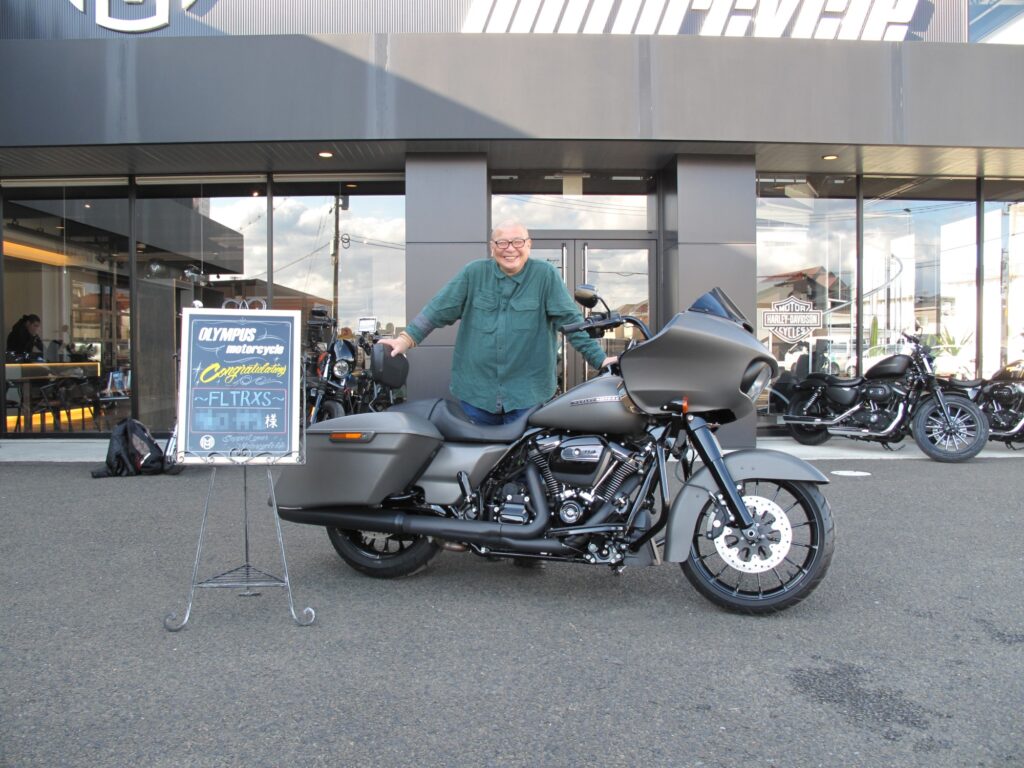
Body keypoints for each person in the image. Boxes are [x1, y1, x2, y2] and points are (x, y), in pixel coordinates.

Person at [378, 220, 616, 425]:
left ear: (529, 245)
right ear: (492, 248)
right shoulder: (473, 273)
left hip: (529, 395)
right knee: (478, 460)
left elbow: (572, 322)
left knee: (527, 460)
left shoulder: (545, 275)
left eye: (517, 242)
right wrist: (405, 339)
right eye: (502, 243)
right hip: (476, 394)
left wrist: (600, 359)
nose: (510, 249)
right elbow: (437, 310)